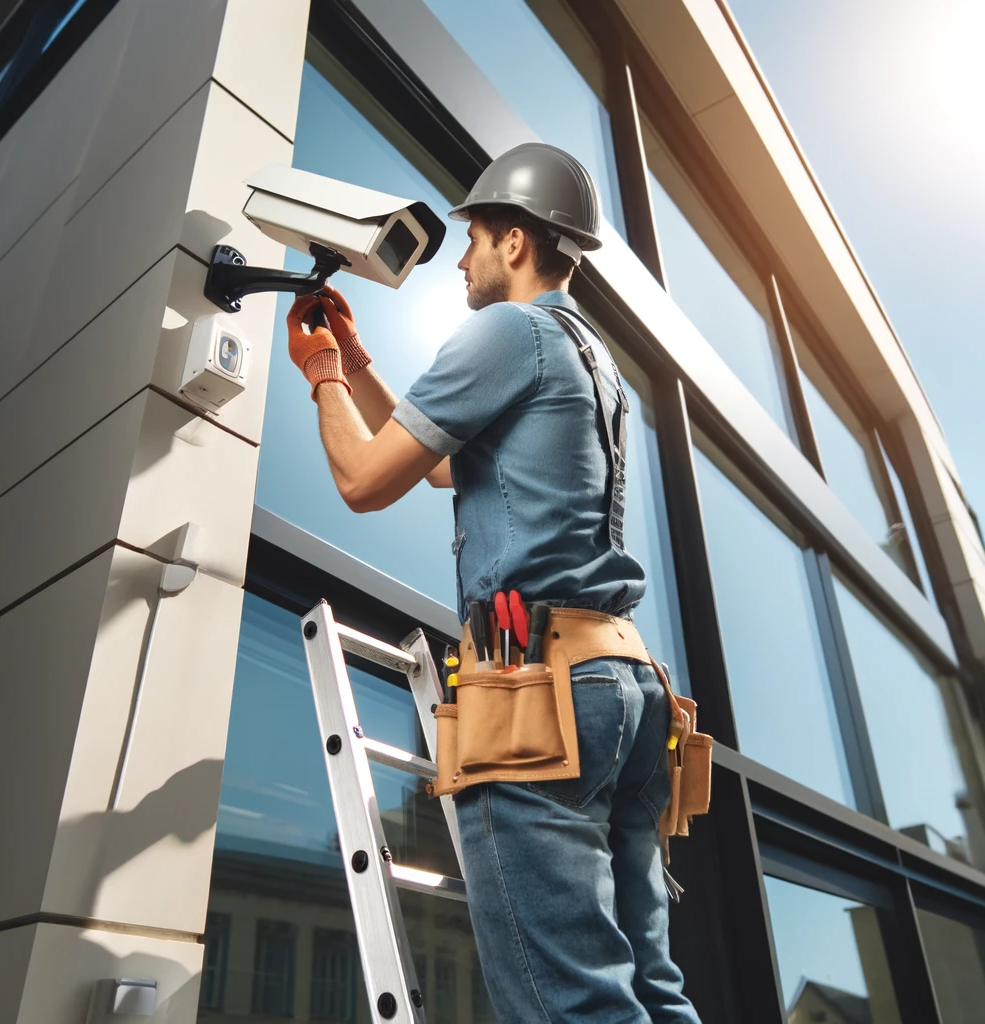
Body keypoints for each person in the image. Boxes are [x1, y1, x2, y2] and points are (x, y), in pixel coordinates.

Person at [287, 143, 701, 1023]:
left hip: (540, 692)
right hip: (625, 689)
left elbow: (366, 481)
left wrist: (320, 378)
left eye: (474, 239)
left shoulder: (508, 331)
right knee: (652, 992)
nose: (464, 262)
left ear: (516, 243)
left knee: (571, 1003)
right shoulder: (594, 362)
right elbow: (441, 468)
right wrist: (357, 365)